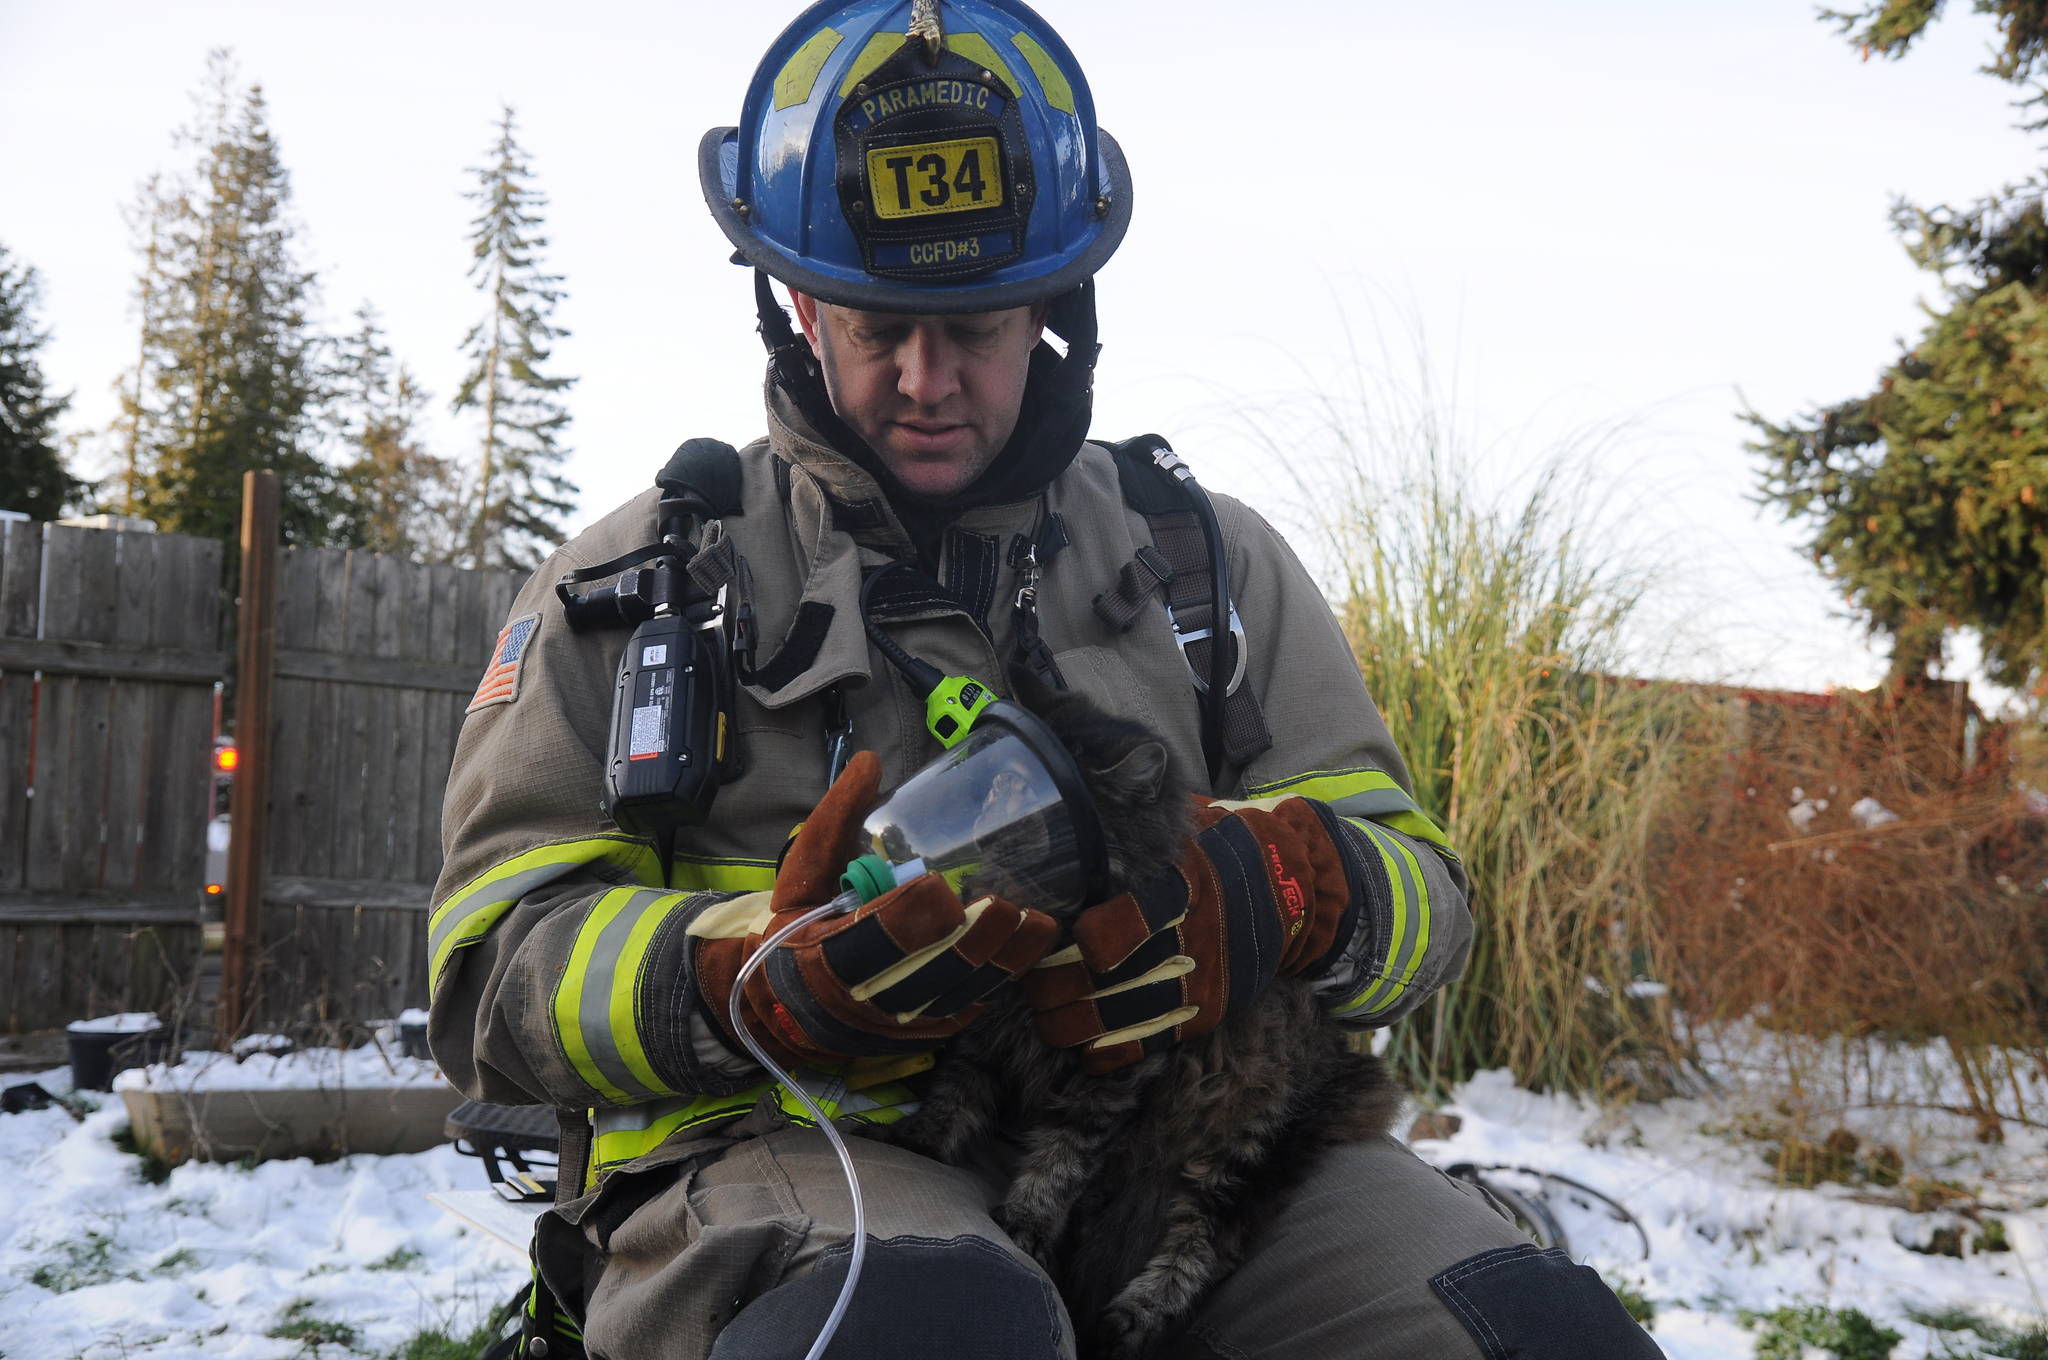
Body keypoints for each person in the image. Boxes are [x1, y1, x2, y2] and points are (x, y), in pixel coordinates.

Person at [426, 2, 1664, 1356]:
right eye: (874, 323)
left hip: (1207, 1165)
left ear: (1055, 306)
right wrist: (750, 984)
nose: (926, 379)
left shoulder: (1208, 565)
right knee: (932, 1331)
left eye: (976, 324)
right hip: (804, 1154)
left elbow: (1423, 899)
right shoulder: (638, 586)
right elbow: (488, 977)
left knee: (1529, 1333)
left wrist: (1289, 889)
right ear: (793, 300)